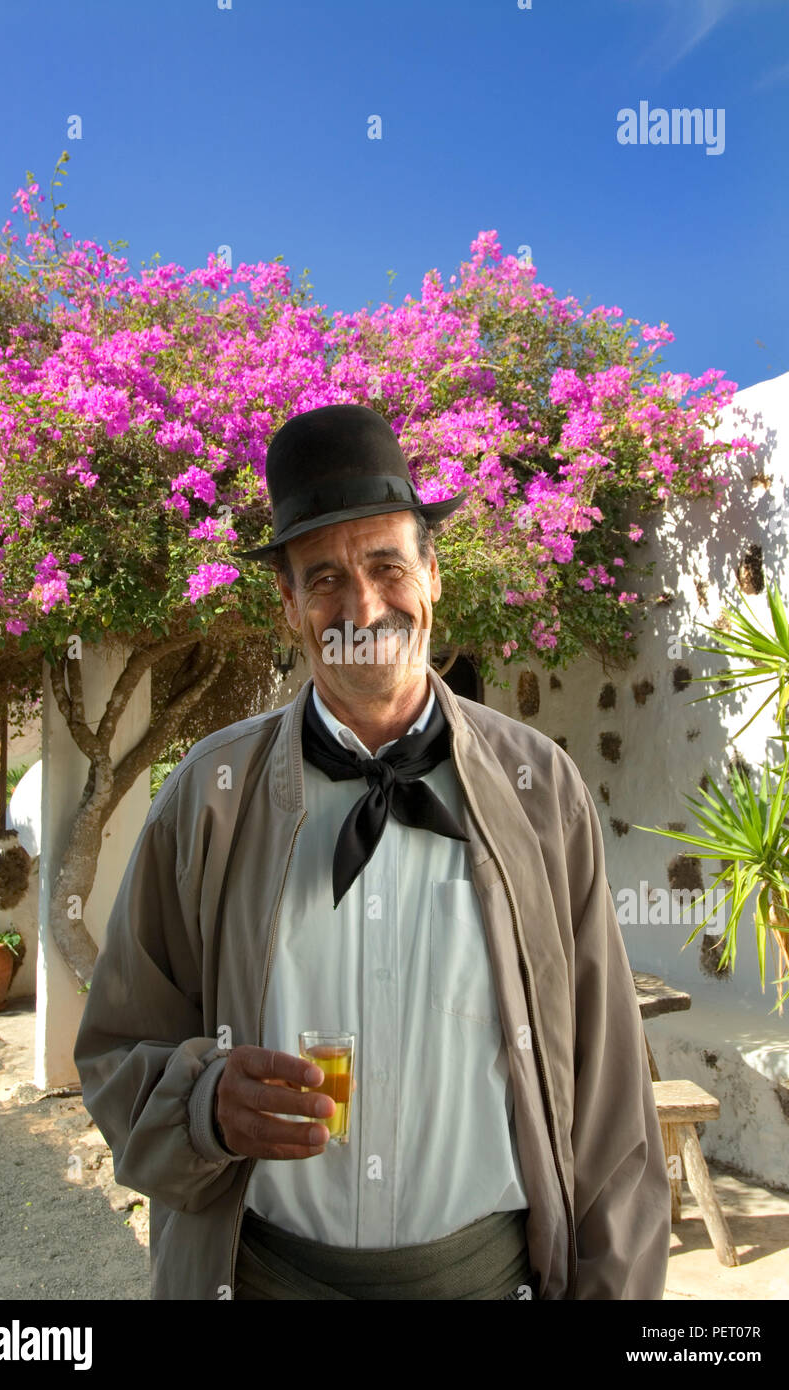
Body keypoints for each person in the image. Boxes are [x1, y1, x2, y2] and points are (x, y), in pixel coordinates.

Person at [74, 402, 672, 1300]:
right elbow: (116, 1055)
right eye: (323, 579)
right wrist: (204, 1106)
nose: (362, 607)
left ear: (432, 578)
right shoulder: (206, 799)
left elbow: (612, 1103)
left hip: (492, 1280)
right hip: (264, 1281)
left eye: (387, 565)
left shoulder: (539, 791)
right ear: (288, 608)